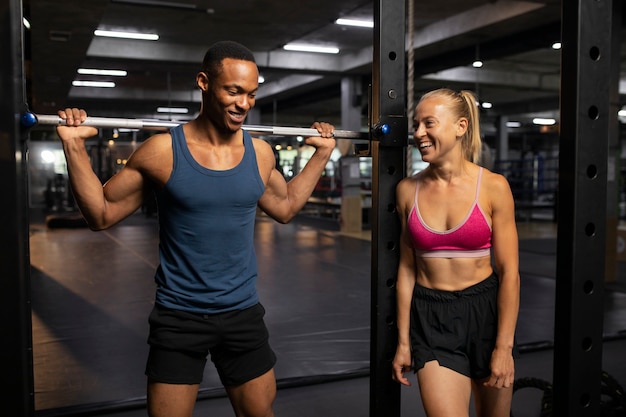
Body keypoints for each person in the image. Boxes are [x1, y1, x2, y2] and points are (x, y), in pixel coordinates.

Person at [55, 40, 336, 417]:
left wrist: (321, 155)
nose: (244, 104)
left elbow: (284, 208)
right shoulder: (162, 152)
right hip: (179, 317)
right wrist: (74, 148)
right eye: (234, 91)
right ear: (204, 83)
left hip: (243, 313)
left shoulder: (260, 153)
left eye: (251, 94)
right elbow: (101, 214)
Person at [392, 88, 520, 417]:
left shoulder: (493, 187)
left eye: (428, 123)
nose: (418, 133)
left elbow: (509, 273)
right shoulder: (407, 191)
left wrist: (504, 347)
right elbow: (407, 270)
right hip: (432, 318)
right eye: (416, 124)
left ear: (460, 126)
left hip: (486, 313)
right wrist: (404, 341)